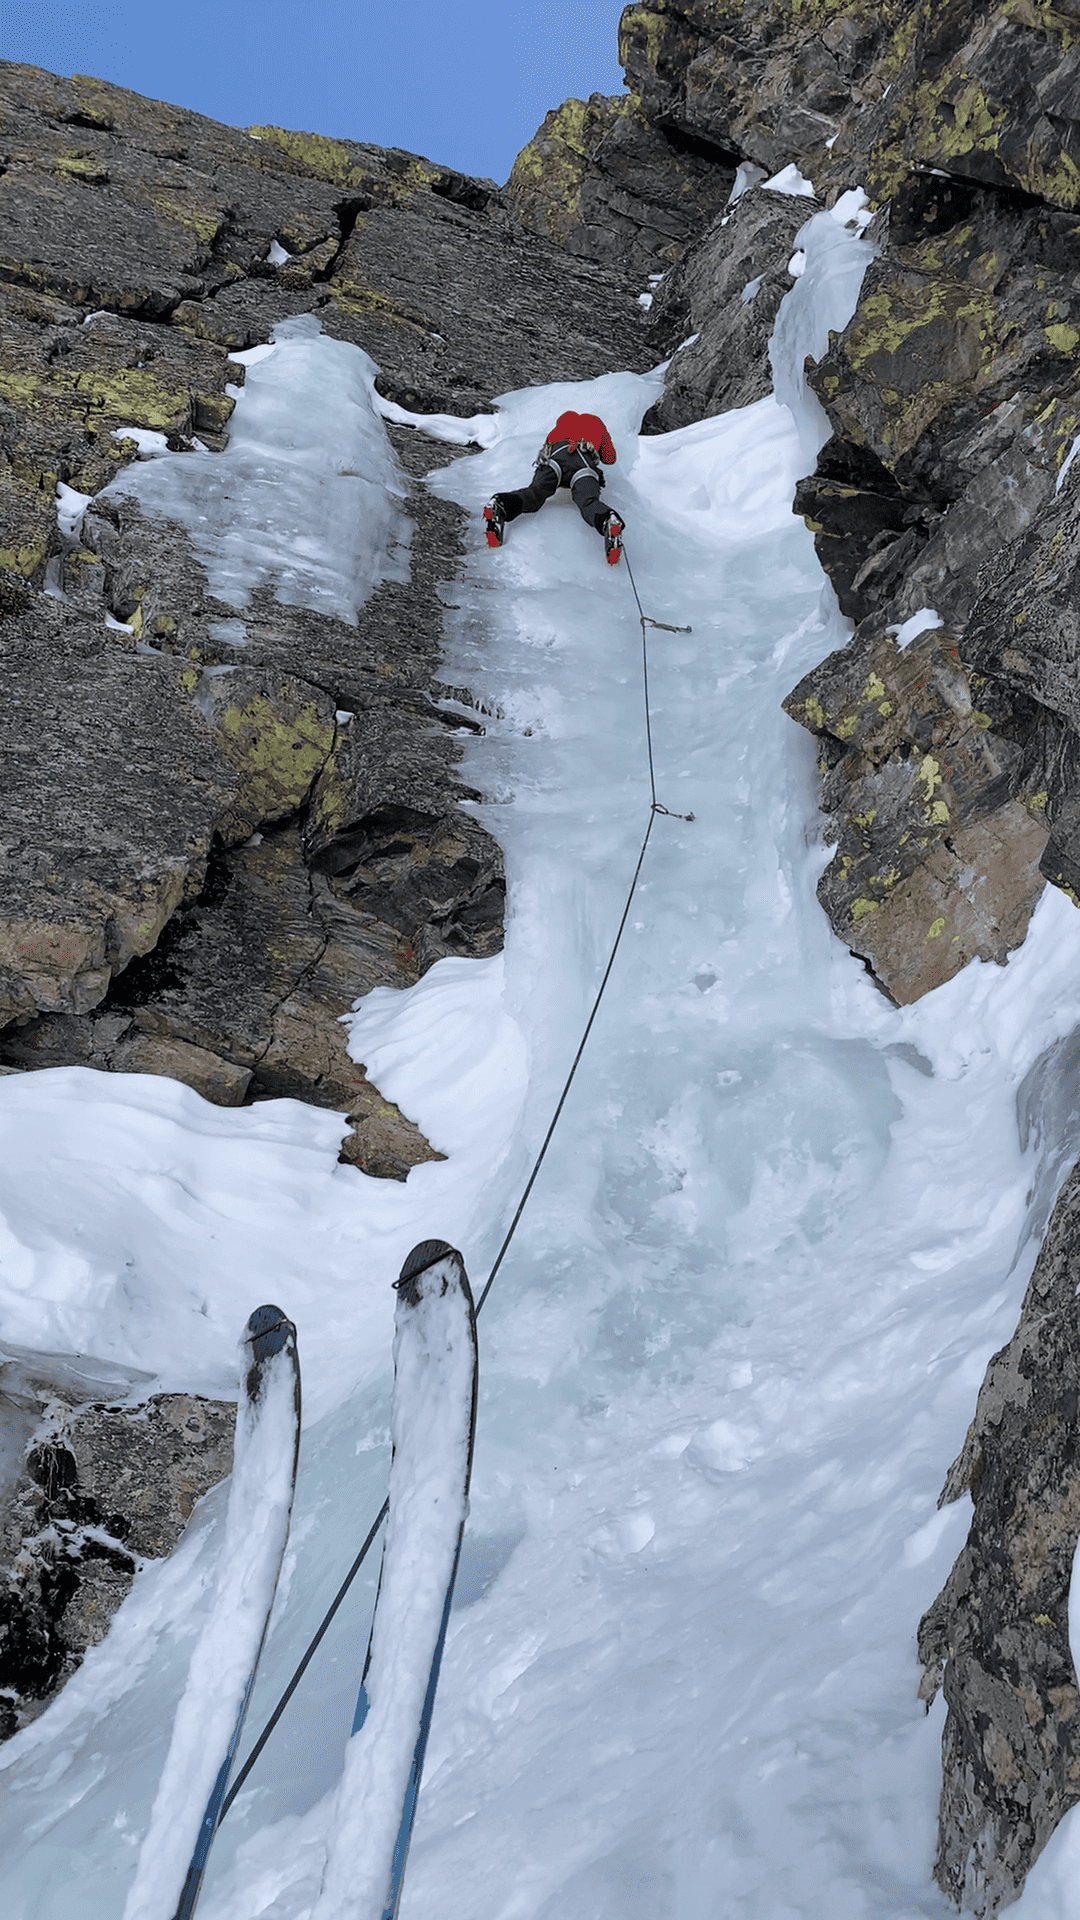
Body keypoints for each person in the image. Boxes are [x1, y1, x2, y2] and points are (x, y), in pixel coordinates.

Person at [484, 410, 625, 565]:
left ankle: (501, 504)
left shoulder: (564, 421)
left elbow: (548, 443)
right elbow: (610, 458)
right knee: (588, 502)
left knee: (535, 493)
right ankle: (607, 521)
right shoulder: (597, 423)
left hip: (555, 457)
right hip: (584, 461)